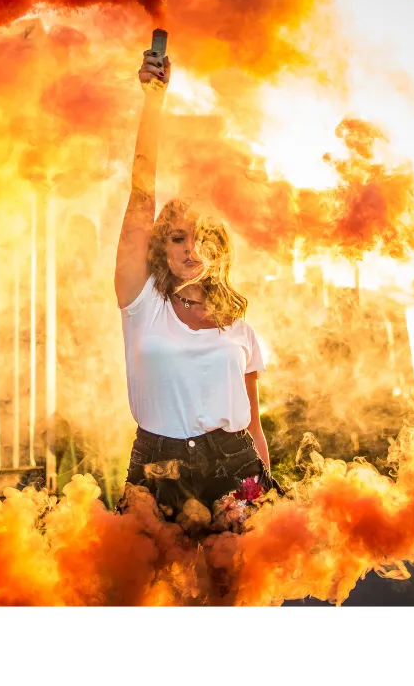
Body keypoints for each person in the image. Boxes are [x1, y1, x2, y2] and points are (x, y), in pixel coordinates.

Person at [115, 41, 279, 532]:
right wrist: (153, 101)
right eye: (178, 237)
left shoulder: (239, 327)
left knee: (235, 591)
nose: (191, 249)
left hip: (236, 466)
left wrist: (264, 483)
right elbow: (141, 193)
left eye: (202, 237)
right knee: (148, 591)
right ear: (160, 246)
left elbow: (253, 421)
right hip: (159, 467)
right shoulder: (142, 304)